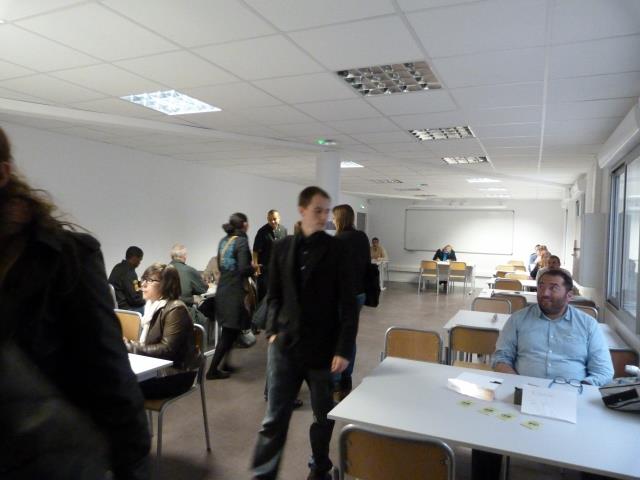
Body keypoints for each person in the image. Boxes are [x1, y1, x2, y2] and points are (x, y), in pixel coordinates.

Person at [0, 127, 150, 478]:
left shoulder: (64, 259)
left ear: (2, 173)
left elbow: (110, 377)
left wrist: (131, 468)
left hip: (50, 462)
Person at [251, 186, 357, 480]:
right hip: (284, 347)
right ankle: (263, 474)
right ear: (302, 210)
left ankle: (319, 465)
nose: (324, 217)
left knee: (323, 415)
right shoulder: (283, 247)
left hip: (323, 350)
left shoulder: (338, 249)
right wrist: (272, 330)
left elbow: (349, 304)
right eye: (318, 210)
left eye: (327, 211)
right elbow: (273, 295)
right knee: (273, 419)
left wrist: (343, 348)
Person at [472, 269, 614, 480]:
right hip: (522, 397)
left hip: (572, 400)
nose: (544, 292)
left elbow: (604, 371)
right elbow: (501, 358)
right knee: (483, 437)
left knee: (601, 453)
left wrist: (574, 390)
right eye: (541, 286)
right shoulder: (518, 320)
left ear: (569, 295)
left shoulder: (588, 325)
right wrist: (520, 385)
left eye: (553, 288)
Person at [124, 263, 200, 399]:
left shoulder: (176, 309)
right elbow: (149, 343)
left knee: (118, 389)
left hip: (177, 375)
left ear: (167, 284)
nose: (143, 285)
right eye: (143, 279)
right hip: (158, 369)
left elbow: (167, 350)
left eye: (150, 281)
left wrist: (129, 346)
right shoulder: (150, 307)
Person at [206, 212, 255, 380]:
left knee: (232, 331)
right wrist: (254, 268)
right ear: (243, 224)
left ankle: (225, 364)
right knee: (228, 333)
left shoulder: (224, 241)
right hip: (234, 292)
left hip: (223, 289)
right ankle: (212, 370)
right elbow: (243, 269)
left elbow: (220, 264)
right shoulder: (241, 241)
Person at [332, 204, 370, 401]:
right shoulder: (362, 237)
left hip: (342, 295)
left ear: (339, 219)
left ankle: (337, 381)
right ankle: (346, 379)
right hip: (360, 293)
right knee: (350, 334)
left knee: (337, 336)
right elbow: (366, 263)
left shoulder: (338, 240)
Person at [253, 209, 288, 302]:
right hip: (265, 270)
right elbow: (255, 251)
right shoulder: (262, 232)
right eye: (270, 219)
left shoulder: (284, 230)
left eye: (274, 219)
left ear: (279, 219)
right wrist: (256, 266)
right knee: (264, 297)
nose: (272, 221)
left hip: (279, 270)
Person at [109, 245, 145, 314]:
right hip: (125, 309)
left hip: (114, 306)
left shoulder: (117, 267)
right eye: (140, 259)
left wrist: (138, 283)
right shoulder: (130, 272)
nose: (140, 262)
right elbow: (135, 300)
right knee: (147, 307)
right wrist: (145, 300)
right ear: (134, 257)